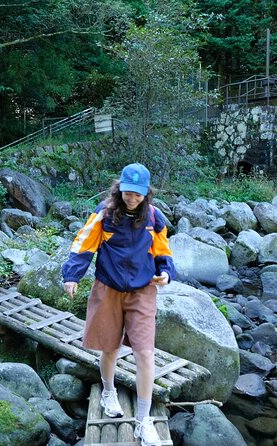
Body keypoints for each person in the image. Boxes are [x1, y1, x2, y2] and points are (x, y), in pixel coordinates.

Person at [61, 163, 176, 446]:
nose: (132, 198)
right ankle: (109, 391)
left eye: (138, 194)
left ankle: (142, 421)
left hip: (142, 291)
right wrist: (72, 276)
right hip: (108, 288)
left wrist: (166, 272)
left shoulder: (154, 217)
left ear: (146, 193)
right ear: (119, 188)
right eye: (127, 193)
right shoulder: (105, 214)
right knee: (110, 348)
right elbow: (83, 244)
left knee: (145, 353)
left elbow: (163, 251)